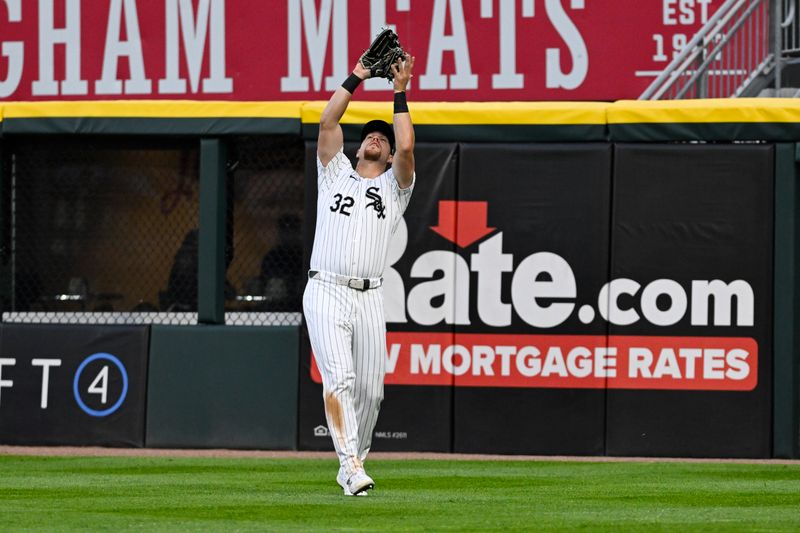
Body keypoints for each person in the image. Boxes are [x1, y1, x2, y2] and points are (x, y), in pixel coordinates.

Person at [303, 53, 416, 496]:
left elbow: (407, 146)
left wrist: (399, 89)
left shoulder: (394, 187)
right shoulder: (334, 174)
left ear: (386, 156)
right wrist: (360, 76)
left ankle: (355, 459)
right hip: (326, 288)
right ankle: (349, 465)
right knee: (341, 379)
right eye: (370, 134)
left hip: (369, 297)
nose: (376, 137)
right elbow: (328, 122)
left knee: (371, 392)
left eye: (381, 139)